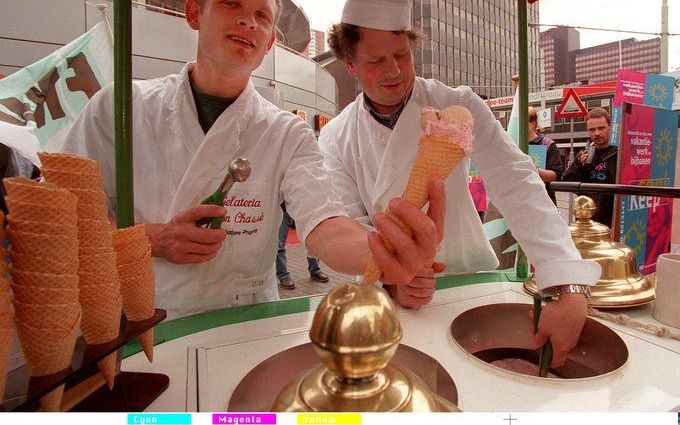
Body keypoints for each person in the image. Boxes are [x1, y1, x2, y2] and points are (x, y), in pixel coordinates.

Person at [61, 0, 444, 320]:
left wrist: (384, 251)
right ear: (195, 13)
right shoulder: (121, 109)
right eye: (231, 3)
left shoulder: (286, 134)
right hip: (142, 326)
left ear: (270, 43)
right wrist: (153, 239)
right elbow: (67, 218)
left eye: (262, 16)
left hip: (246, 331)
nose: (248, 21)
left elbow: (326, 225)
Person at [318, 0, 601, 369]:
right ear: (350, 64)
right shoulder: (335, 138)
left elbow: (516, 183)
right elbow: (350, 227)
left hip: (469, 284)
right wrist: (393, 278)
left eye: (402, 55)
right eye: (376, 61)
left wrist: (568, 283)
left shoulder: (457, 105)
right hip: (391, 308)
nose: (394, 71)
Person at [563, 107, 617, 227]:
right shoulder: (584, 155)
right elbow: (566, 182)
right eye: (592, 130)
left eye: (601, 128)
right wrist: (578, 165)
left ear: (610, 127)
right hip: (587, 220)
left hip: (612, 220)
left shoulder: (620, 153)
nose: (597, 133)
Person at [276, 204, 329, 290]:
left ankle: (315, 270)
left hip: (303, 208)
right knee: (279, 245)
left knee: (312, 240)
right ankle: (283, 275)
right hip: (283, 210)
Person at [528, 106, 562, 205]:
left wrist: (535, 171)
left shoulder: (548, 145)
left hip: (544, 201)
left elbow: (556, 175)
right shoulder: (514, 145)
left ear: (533, 124)